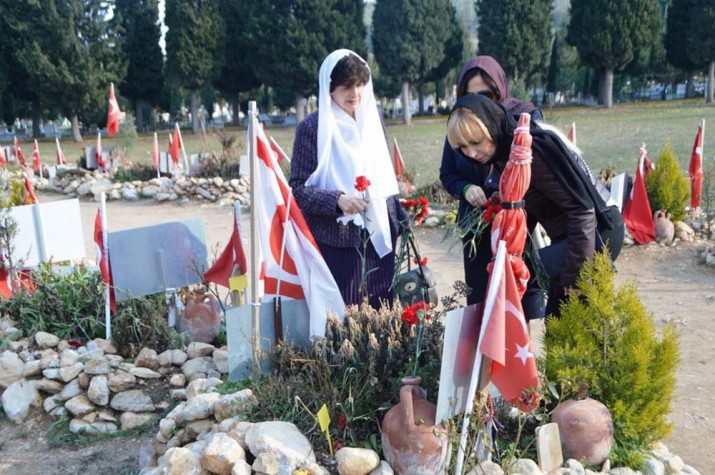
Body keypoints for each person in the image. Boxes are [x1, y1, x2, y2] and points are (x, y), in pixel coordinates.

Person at [446, 93, 621, 317]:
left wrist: (576, 274)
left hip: (597, 231)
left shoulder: (530, 151)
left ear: (491, 126)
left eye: (475, 142)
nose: (470, 153)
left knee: (571, 322)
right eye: (461, 147)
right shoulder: (504, 153)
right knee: (560, 324)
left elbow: (582, 209)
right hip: (573, 235)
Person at [289, 49, 407, 309]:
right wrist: (338, 200)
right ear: (329, 89)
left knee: (384, 310)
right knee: (346, 315)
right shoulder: (312, 129)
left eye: (359, 86)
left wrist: (400, 216)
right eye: (346, 87)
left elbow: (383, 175)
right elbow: (298, 188)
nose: (354, 94)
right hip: (337, 239)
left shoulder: (373, 123)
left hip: (380, 236)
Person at [440, 56, 542, 310]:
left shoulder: (522, 117)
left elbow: (539, 170)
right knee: (482, 307)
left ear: (499, 89)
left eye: (486, 93)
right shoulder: (460, 123)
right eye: (469, 94)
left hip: (519, 226)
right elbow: (448, 173)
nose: (479, 101)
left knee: (518, 305)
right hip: (477, 228)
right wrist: (465, 188)